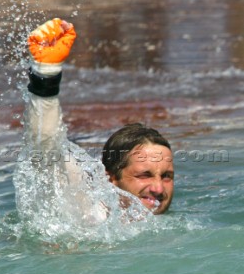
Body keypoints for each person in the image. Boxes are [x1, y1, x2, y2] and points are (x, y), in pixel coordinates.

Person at [25, 18, 174, 220]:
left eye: (166, 177)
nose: (158, 188)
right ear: (110, 178)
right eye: (144, 175)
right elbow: (46, 147)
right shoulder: (86, 214)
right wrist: (46, 76)